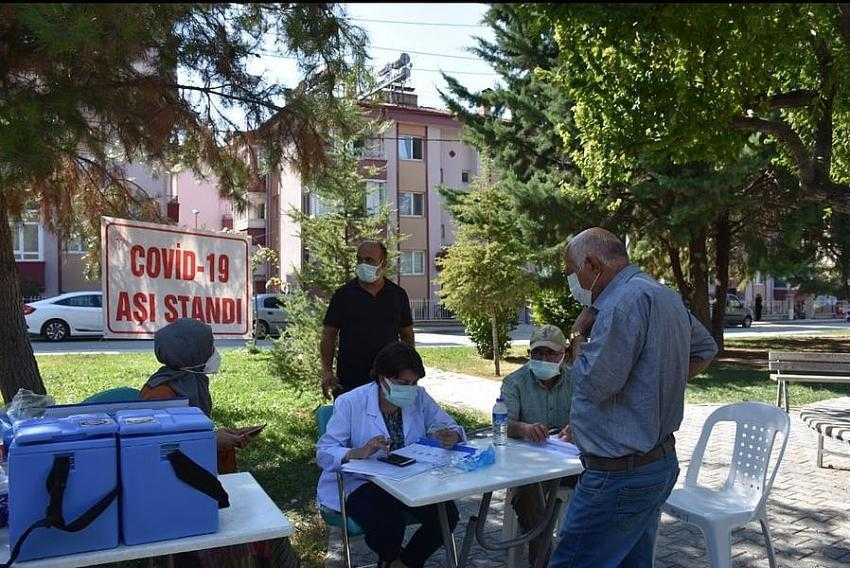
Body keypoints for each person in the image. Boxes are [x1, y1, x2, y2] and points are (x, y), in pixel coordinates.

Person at [549, 228, 718, 568]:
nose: (572, 283)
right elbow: (705, 349)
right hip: (655, 465)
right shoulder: (663, 295)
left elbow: (592, 385)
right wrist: (653, 382)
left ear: (592, 264)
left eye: (571, 272)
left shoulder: (618, 304)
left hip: (618, 477)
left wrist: (578, 333)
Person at [140, 318, 287, 567]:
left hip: (200, 482)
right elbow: (156, 452)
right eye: (209, 347)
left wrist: (220, 436)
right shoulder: (159, 395)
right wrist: (210, 441)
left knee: (275, 528)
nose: (214, 353)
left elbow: (191, 430)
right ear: (191, 353)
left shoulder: (191, 382)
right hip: (175, 493)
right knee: (259, 533)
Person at [317, 342, 463, 568]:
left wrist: (451, 435)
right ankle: (393, 559)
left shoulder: (419, 397)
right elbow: (325, 452)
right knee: (388, 520)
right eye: (403, 383)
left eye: (414, 383)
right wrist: (358, 452)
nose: (410, 389)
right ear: (382, 378)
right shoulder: (350, 402)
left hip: (409, 478)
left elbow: (449, 425)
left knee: (446, 514)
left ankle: (401, 563)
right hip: (362, 482)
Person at [501, 324, 575, 566]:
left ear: (563, 354)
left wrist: (577, 428)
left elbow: (593, 417)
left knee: (603, 486)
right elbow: (502, 423)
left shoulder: (577, 381)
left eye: (550, 354)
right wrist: (525, 428)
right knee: (529, 493)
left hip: (569, 462)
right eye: (537, 353)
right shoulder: (515, 382)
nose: (543, 359)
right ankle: (544, 560)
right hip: (528, 465)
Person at [321, 241, 415, 398]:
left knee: (385, 421)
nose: (363, 264)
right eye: (359, 260)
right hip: (350, 380)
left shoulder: (397, 295)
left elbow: (407, 335)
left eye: (369, 260)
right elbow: (328, 335)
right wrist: (327, 372)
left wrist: (408, 370)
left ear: (382, 263)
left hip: (388, 378)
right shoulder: (343, 295)